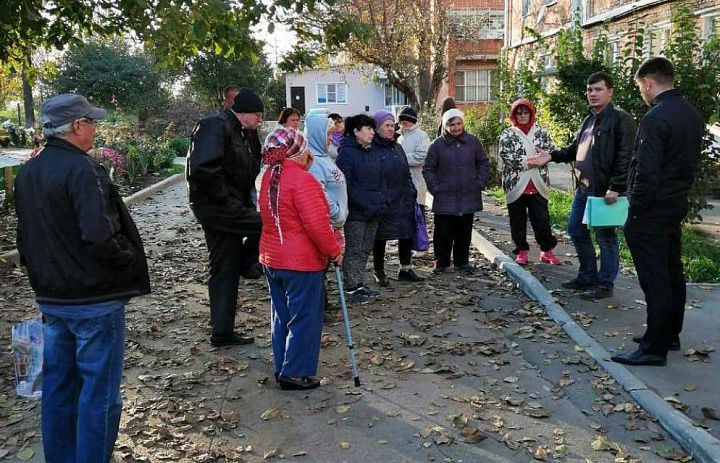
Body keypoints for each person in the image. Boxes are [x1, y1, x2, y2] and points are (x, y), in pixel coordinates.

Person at [14, 93, 151, 463]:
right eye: (91, 122)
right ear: (77, 126)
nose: (94, 129)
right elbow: (99, 234)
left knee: (59, 389)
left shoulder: (30, 170)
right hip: (94, 301)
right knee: (100, 396)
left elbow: (24, 236)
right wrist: (128, 261)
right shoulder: (83, 169)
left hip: (53, 299)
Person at [611, 57, 704, 367]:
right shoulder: (691, 114)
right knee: (671, 270)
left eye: (641, 87)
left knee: (655, 278)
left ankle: (654, 347)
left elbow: (647, 172)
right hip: (675, 204)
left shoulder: (654, 118)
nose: (642, 92)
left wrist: (634, 211)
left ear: (648, 84)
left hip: (650, 210)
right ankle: (669, 334)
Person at [530, 72, 636, 300]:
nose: (593, 94)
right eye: (589, 90)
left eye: (598, 89)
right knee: (576, 229)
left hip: (604, 191)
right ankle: (587, 276)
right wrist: (552, 156)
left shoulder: (620, 119)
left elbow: (625, 156)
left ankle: (605, 284)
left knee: (605, 237)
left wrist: (616, 186)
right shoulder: (589, 119)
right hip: (585, 188)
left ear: (610, 91)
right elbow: (576, 148)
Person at [259, 127, 343, 389]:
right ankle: (295, 373)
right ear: (298, 151)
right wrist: (335, 250)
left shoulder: (268, 176)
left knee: (281, 316)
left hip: (272, 258)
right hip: (300, 262)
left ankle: (282, 365)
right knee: (305, 317)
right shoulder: (303, 181)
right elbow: (318, 225)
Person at [187, 87, 264, 347]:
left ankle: (222, 332)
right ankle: (247, 262)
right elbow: (203, 169)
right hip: (216, 207)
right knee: (270, 224)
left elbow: (251, 169)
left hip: (234, 205)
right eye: (258, 114)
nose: (261, 120)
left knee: (224, 267)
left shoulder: (247, 133)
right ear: (245, 113)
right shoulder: (214, 126)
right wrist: (227, 201)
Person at [423, 109, 489, 274]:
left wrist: (479, 182)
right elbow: (428, 169)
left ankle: (462, 261)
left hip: (468, 195)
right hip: (444, 196)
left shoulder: (473, 142)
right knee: (442, 233)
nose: (456, 127)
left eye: (458, 123)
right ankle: (441, 262)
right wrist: (435, 188)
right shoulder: (437, 145)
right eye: (451, 124)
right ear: (445, 126)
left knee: (464, 232)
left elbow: (483, 163)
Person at [499, 99, 561, 266]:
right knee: (517, 221)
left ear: (531, 114)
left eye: (526, 113)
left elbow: (551, 151)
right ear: (514, 116)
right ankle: (521, 250)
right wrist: (530, 162)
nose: (523, 116)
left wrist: (544, 158)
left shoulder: (541, 131)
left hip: (538, 183)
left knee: (542, 220)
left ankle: (547, 250)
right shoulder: (507, 134)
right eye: (519, 113)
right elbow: (506, 155)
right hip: (516, 185)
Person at [371, 109, 423, 286]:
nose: (391, 129)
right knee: (381, 236)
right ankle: (379, 270)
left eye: (392, 125)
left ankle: (406, 268)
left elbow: (406, 171)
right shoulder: (373, 149)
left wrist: (411, 192)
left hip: (403, 198)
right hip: (384, 200)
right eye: (387, 125)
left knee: (406, 233)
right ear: (377, 128)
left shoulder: (397, 147)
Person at [306, 108, 349, 319]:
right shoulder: (313, 162)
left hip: (335, 222)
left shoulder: (325, 156)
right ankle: (317, 309)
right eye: (327, 134)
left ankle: (322, 305)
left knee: (322, 268)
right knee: (318, 269)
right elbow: (319, 193)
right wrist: (337, 212)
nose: (331, 138)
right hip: (327, 222)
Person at [336, 114, 383, 302]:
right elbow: (345, 185)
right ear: (356, 131)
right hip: (357, 212)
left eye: (372, 129)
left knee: (365, 249)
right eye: (368, 129)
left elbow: (381, 179)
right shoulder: (346, 154)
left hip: (375, 210)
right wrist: (363, 203)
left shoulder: (371, 151)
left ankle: (359, 282)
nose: (372, 132)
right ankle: (351, 286)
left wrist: (382, 201)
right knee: (354, 249)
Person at [398, 106, 431, 212]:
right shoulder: (400, 137)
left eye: (405, 123)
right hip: (401, 185)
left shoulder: (421, 136)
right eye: (401, 123)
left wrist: (400, 159)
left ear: (412, 122)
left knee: (417, 218)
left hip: (416, 183)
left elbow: (421, 157)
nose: (402, 126)